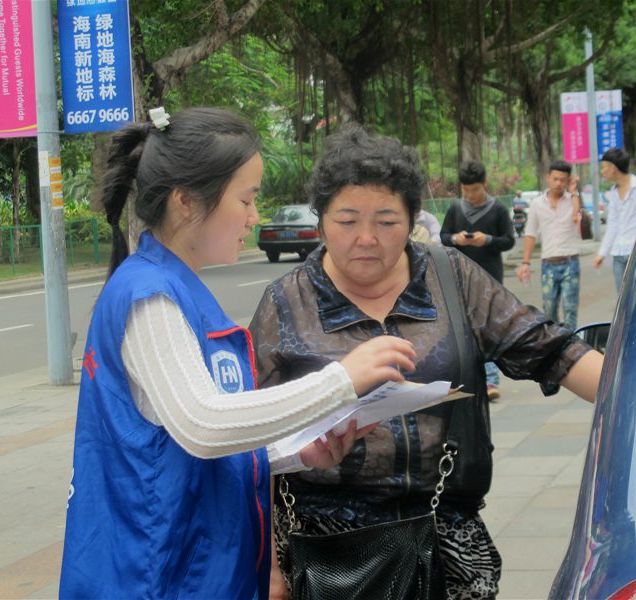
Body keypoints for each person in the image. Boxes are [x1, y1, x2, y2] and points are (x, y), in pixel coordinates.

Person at [58, 108, 417, 600]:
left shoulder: (176, 288)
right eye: (246, 199)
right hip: (156, 577)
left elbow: (179, 445)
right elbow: (203, 425)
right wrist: (340, 381)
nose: (255, 216)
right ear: (187, 201)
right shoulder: (150, 296)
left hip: (192, 570)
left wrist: (295, 451)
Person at [249, 127, 603, 600]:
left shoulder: (451, 277)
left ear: (413, 220)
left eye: (387, 221)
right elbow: (252, 440)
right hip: (327, 549)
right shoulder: (286, 302)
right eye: (347, 221)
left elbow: (549, 349)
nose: (366, 238)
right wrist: (270, 568)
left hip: (447, 541)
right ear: (322, 221)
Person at [440, 160, 515, 400]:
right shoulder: (455, 209)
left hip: (490, 278)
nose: (470, 195)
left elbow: (509, 240)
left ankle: (491, 381)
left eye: (475, 189)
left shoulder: (498, 209)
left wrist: (488, 240)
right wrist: (456, 239)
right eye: (466, 190)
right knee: (462, 328)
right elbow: (443, 236)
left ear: (485, 184)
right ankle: (466, 379)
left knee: (488, 327)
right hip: (459, 277)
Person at [516, 160, 582, 330]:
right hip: (549, 264)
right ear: (548, 178)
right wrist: (525, 263)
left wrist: (574, 192)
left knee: (570, 309)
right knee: (549, 308)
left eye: (563, 180)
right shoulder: (537, 204)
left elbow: (576, 218)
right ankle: (554, 342)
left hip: (570, 262)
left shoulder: (572, 201)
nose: (559, 183)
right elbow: (530, 233)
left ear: (568, 181)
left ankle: (571, 343)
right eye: (555, 179)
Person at [593, 147, 636, 292]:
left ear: (613, 168)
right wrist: (602, 253)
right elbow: (613, 225)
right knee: (622, 297)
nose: (602, 171)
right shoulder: (613, 192)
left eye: (604, 167)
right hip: (618, 254)